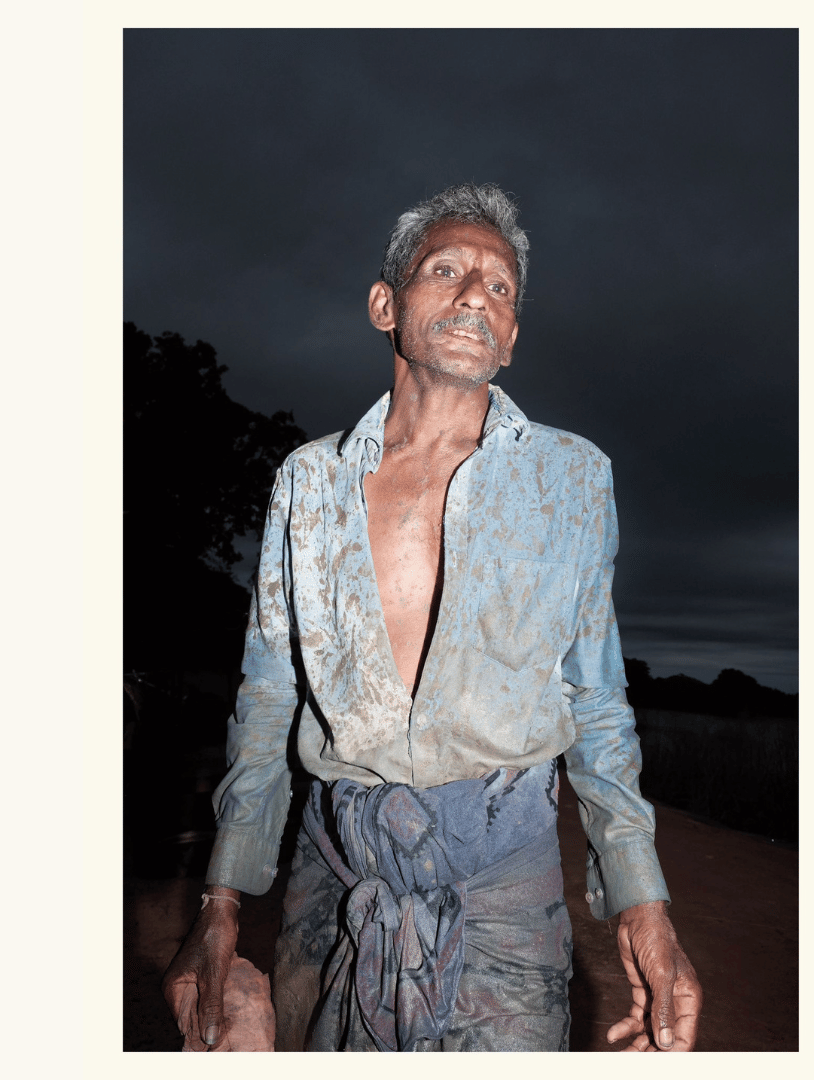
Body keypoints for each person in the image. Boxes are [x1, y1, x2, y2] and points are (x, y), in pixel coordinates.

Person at [163, 183, 702, 1052]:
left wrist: (644, 903)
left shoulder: (573, 480)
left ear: (514, 334)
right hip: (335, 881)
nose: (473, 297)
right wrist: (221, 903)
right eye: (445, 269)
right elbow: (267, 698)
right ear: (386, 304)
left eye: (499, 288)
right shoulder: (310, 482)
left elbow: (598, 704)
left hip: (505, 890)